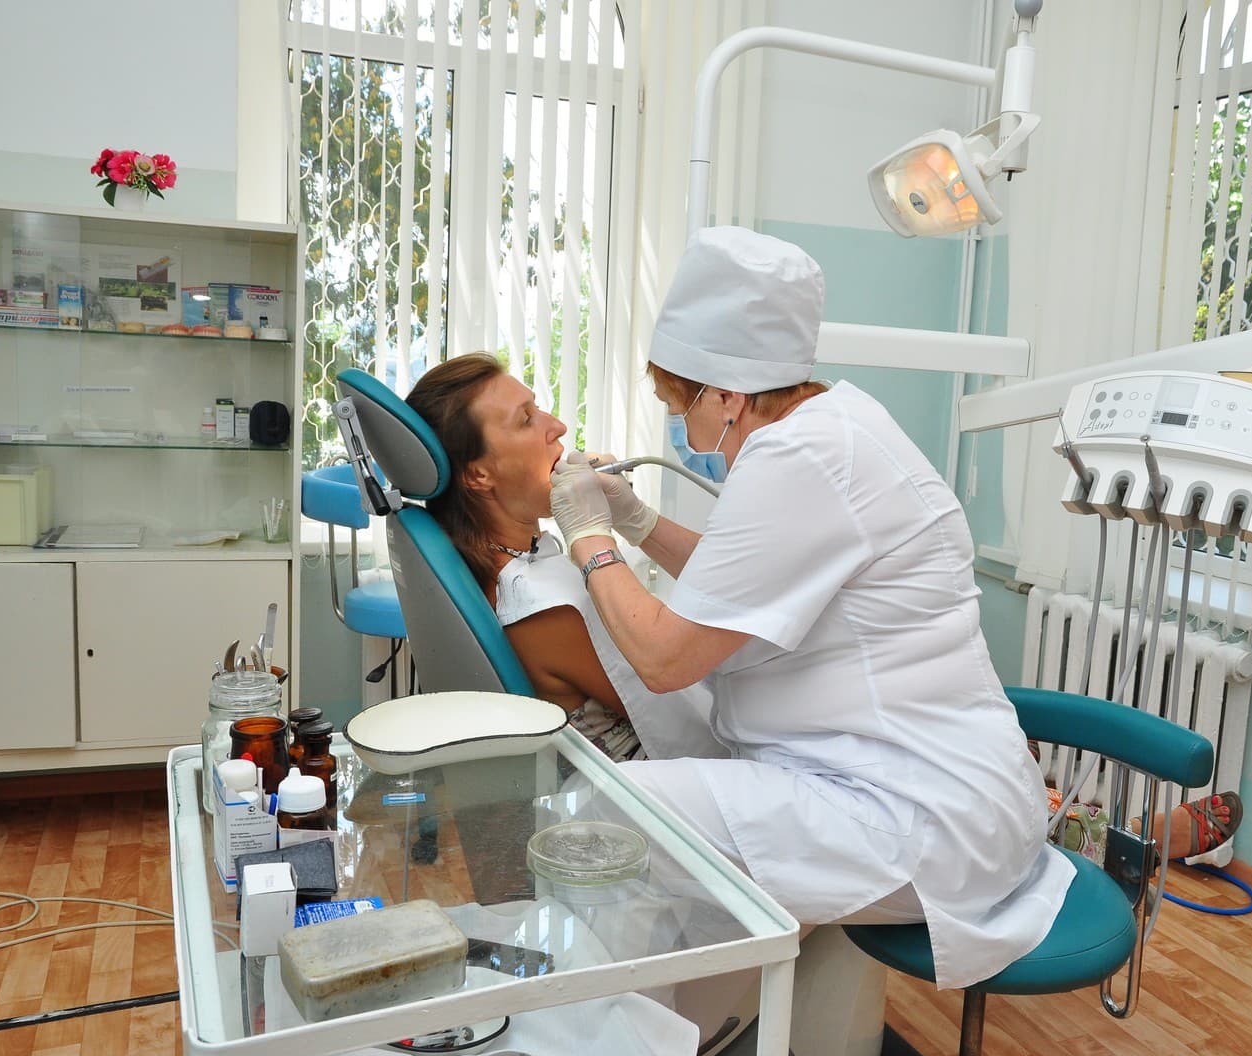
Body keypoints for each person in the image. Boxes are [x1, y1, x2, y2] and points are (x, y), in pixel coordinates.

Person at [546, 226, 1074, 992]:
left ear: (727, 396)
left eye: (679, 406)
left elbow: (663, 660)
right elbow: (744, 581)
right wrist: (637, 521)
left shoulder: (800, 458)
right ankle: (688, 1015)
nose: (679, 430)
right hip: (936, 787)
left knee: (602, 815)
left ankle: (633, 1027)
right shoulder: (838, 426)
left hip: (915, 811)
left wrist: (590, 538)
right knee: (656, 834)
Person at [403, 353, 723, 763]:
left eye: (537, 408)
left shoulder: (513, 562)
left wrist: (633, 520)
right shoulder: (545, 606)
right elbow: (692, 728)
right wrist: (594, 538)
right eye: (526, 419)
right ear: (478, 475)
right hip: (657, 788)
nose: (557, 426)